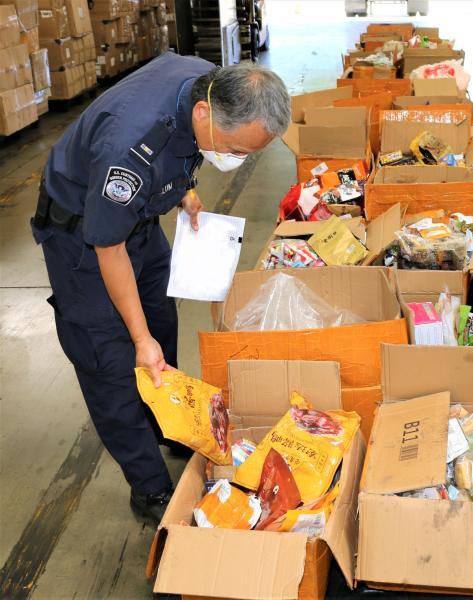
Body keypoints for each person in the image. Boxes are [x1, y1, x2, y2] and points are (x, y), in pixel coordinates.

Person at [30, 53, 291, 525]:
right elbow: (107, 247)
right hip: (85, 239)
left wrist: (183, 188)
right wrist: (138, 338)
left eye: (248, 154)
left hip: (141, 218)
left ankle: (165, 421)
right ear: (203, 114)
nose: (235, 159)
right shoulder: (127, 150)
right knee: (110, 359)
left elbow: (186, 149)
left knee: (162, 319)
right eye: (233, 148)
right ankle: (148, 487)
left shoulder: (208, 82)